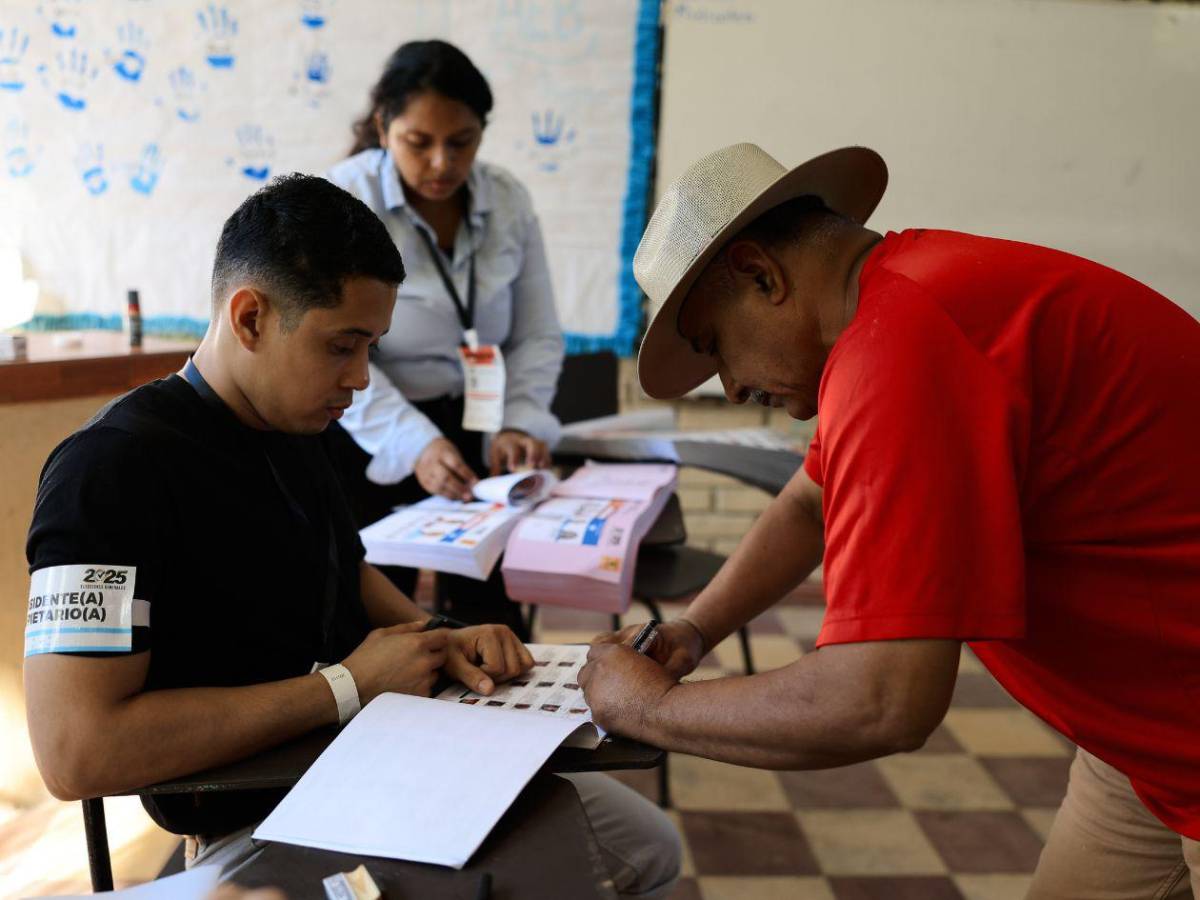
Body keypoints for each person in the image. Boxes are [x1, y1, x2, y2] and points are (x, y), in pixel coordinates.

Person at [23, 175, 679, 897]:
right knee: (568, 871)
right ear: (249, 319)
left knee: (648, 843)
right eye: (343, 346)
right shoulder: (109, 470)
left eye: (372, 347)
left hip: (371, 759)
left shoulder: (298, 427)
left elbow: (343, 567)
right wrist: (344, 687)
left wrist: (436, 634)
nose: (362, 378)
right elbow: (75, 752)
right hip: (261, 806)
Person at [579, 142, 1200, 898]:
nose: (733, 388)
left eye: (716, 348)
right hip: (1144, 743)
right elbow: (812, 502)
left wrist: (647, 708)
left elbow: (882, 700)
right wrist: (694, 630)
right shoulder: (900, 300)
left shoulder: (900, 347)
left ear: (759, 276)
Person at [325, 40, 564, 634]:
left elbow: (537, 333)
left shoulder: (507, 200)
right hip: (370, 428)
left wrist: (521, 420)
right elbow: (332, 347)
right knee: (373, 623)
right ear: (384, 127)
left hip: (482, 427)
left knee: (492, 617)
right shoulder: (344, 200)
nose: (441, 164)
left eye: (461, 142)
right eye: (419, 142)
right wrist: (415, 445)